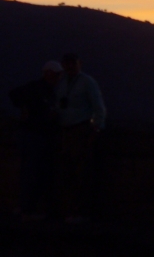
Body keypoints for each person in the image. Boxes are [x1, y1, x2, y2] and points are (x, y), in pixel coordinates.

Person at [8, 61, 63, 221]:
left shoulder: (47, 90)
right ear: (48, 73)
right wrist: (25, 109)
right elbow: (14, 95)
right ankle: (26, 209)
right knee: (33, 173)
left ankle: (24, 208)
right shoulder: (37, 88)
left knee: (31, 173)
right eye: (57, 74)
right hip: (34, 135)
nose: (59, 77)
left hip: (36, 135)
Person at [55, 53, 107, 224]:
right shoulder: (62, 82)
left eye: (73, 63)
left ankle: (81, 212)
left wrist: (97, 129)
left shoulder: (87, 82)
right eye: (67, 64)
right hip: (65, 131)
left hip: (80, 130)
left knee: (81, 172)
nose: (70, 67)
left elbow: (98, 107)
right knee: (67, 172)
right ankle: (70, 211)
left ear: (79, 64)